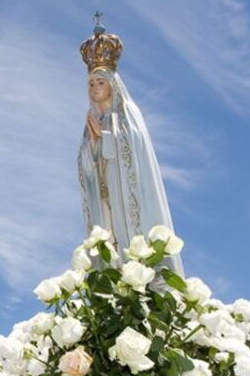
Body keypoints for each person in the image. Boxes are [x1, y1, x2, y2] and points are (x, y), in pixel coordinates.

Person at [78, 15, 183, 275]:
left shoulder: (127, 114)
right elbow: (86, 167)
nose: (94, 87)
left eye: (100, 82)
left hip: (129, 203)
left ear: (112, 85)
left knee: (134, 252)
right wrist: (92, 149)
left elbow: (135, 150)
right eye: (91, 83)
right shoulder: (92, 121)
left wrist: (106, 140)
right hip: (105, 202)